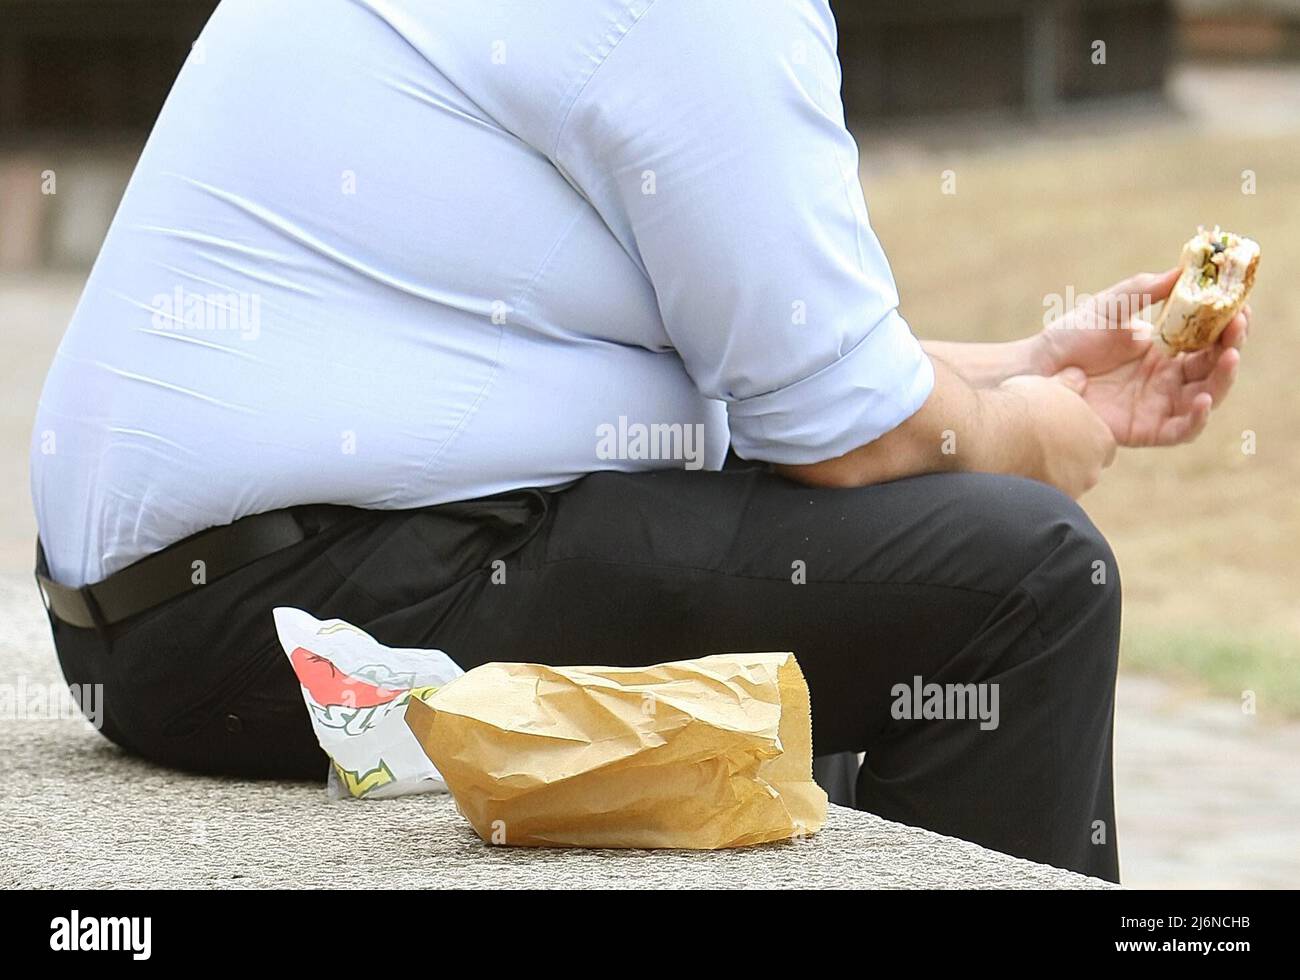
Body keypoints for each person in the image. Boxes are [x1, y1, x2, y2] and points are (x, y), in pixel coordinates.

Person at [31, 0, 1246, 883]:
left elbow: (787, 376)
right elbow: (841, 432)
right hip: (301, 622)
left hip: (163, 619)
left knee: (868, 553)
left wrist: (1020, 372)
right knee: (1023, 571)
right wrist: (1032, 437)